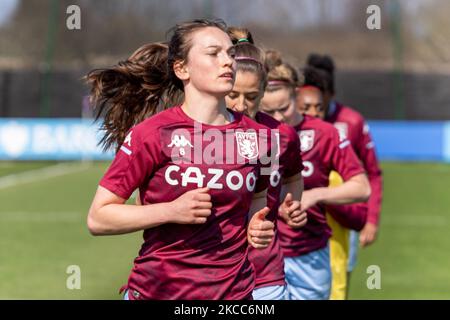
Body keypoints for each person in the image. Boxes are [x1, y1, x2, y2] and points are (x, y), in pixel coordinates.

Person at [85, 19, 276, 300]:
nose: (228, 63)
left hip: (235, 296)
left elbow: (258, 200)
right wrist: (170, 211)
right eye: (214, 53)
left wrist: (257, 227)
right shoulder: (151, 133)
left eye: (231, 54)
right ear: (181, 68)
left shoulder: (262, 137)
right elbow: (98, 218)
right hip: (157, 292)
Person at [259, 51, 371, 300]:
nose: (277, 118)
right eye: (268, 111)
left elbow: (362, 187)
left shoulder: (324, 133)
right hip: (262, 255)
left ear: (296, 94)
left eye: (284, 108)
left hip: (309, 256)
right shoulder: (250, 132)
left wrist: (315, 195)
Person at [225, 27, 307, 300]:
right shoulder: (199, 135)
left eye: (250, 97)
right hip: (212, 273)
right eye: (233, 94)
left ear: (263, 93)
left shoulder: (281, 135)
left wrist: (289, 204)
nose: (240, 105)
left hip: (264, 272)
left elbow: (294, 177)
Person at [306, 54, 383, 294]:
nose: (313, 110)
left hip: (341, 218)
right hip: (300, 225)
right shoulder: (289, 126)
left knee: (338, 279)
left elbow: (372, 172)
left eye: (319, 102)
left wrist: (371, 219)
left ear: (330, 94)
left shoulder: (351, 121)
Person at [298, 67, 368, 299]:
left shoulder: (335, 165)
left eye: (319, 108)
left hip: (330, 259)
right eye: (306, 108)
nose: (314, 113)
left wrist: (322, 196)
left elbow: (358, 216)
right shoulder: (275, 151)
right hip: (285, 264)